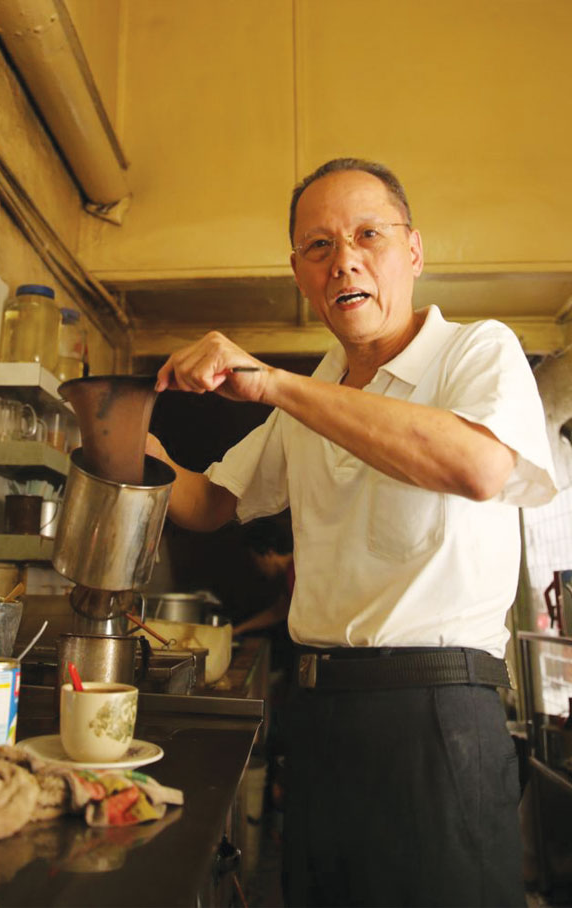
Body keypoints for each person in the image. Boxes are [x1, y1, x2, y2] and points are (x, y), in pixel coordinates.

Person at [146, 157, 557, 907]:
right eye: (318, 246)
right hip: (322, 714)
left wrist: (272, 382)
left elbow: (478, 467)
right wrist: (129, 448)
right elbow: (209, 504)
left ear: (414, 252)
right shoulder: (315, 397)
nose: (345, 260)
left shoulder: (478, 351)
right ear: (300, 274)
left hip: (436, 716)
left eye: (369, 234)